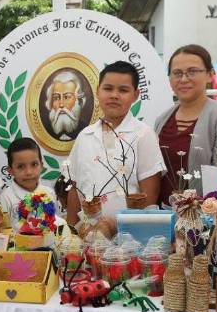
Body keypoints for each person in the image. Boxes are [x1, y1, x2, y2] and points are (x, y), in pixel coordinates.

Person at [65, 61, 166, 234]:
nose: (114, 95)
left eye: (123, 90)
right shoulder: (85, 136)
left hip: (127, 239)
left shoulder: (143, 135)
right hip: (87, 236)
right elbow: (75, 188)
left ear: (135, 95)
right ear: (97, 91)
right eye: (108, 88)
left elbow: (150, 197)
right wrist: (70, 232)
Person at [154, 44, 217, 206]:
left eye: (192, 71)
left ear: (210, 75)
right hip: (164, 215)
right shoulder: (162, 119)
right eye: (177, 73)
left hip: (205, 216)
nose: (184, 79)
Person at [0, 137, 57, 229]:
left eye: (34, 164)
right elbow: (2, 232)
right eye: (20, 166)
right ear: (11, 170)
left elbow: (54, 224)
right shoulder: (5, 198)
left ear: (41, 166)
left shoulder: (49, 193)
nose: (29, 172)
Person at [45, 70, 87, 141]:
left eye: (67, 97)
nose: (61, 104)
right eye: (56, 98)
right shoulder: (46, 130)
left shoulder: (86, 129)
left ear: (77, 100)